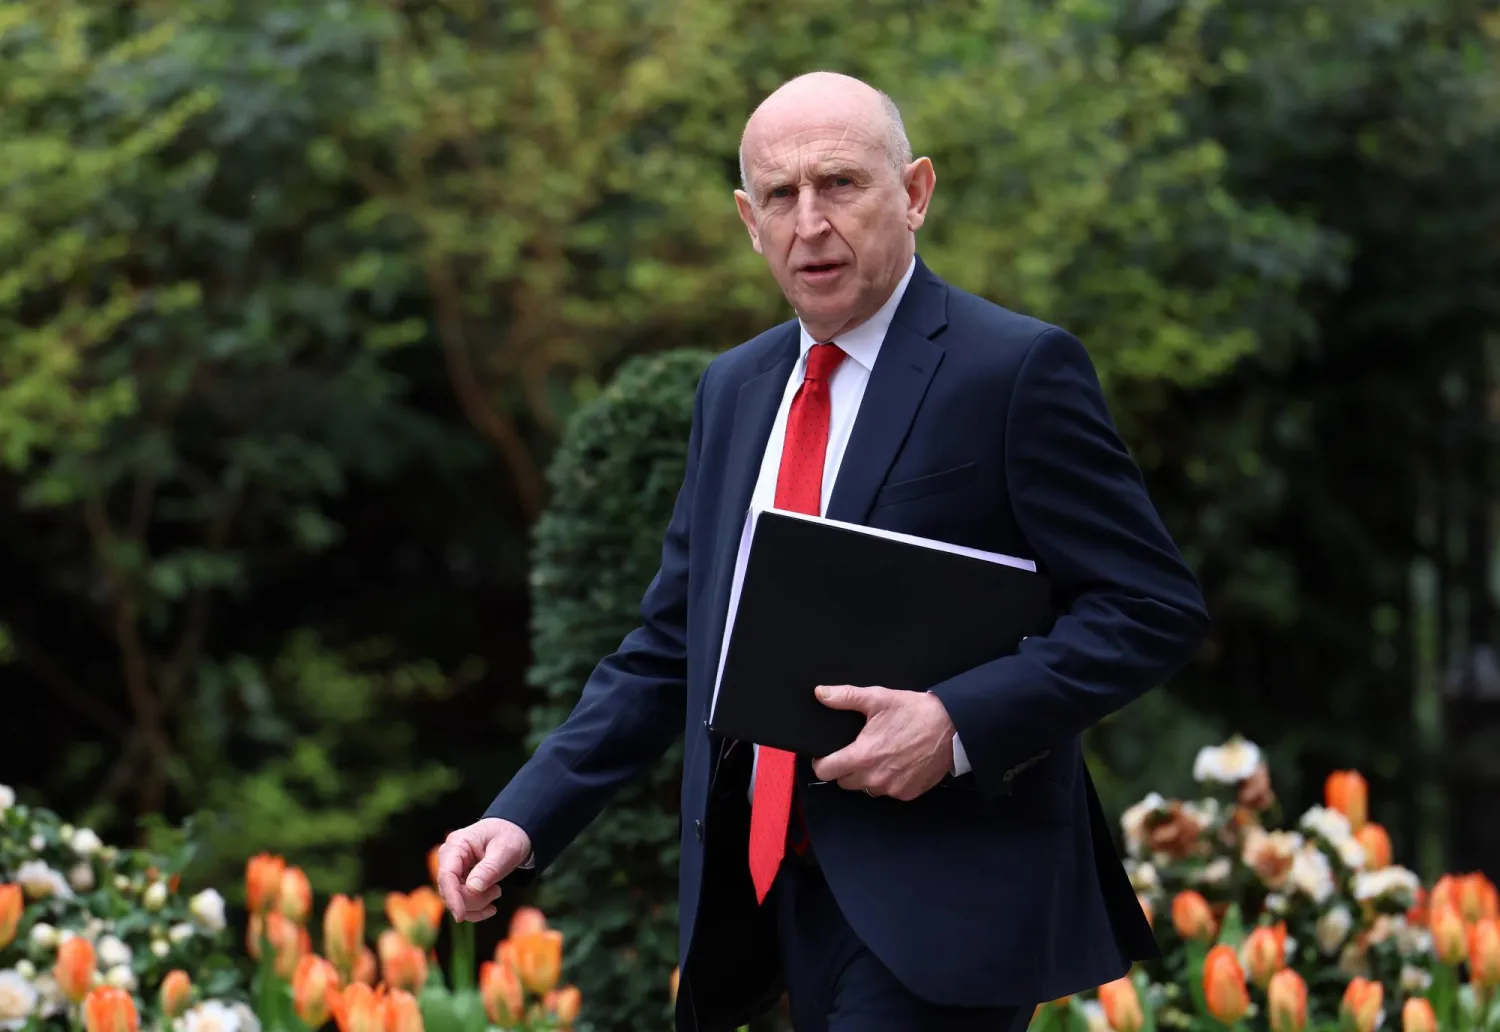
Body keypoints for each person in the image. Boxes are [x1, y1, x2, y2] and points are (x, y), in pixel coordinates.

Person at [436, 71, 1210, 1032]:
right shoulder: (732, 390)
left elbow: (1150, 607)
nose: (810, 222)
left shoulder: (1014, 370)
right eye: (780, 195)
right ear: (747, 219)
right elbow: (676, 644)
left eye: (840, 184)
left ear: (916, 192)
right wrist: (521, 816)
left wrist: (956, 723)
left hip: (941, 903)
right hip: (755, 900)